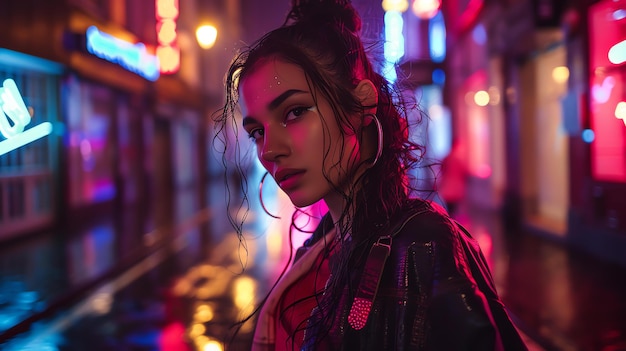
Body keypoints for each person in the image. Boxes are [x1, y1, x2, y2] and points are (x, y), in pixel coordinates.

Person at [213, 0, 528, 350]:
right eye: (257, 131)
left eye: (295, 112)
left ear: (362, 104)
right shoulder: (321, 250)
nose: (269, 149)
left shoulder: (424, 246)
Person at [437, 138, 469, 218]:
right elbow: (464, 172)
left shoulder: (447, 158)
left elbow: (441, 170)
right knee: (454, 209)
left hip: (446, 187)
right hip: (455, 188)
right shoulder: (458, 159)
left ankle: (449, 223)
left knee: (449, 208)